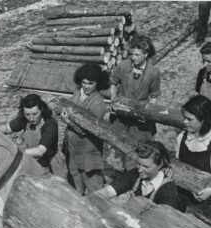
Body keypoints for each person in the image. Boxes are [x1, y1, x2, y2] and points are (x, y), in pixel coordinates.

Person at [110, 34, 161, 170]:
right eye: (132, 54)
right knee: (121, 144)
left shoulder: (153, 72)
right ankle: (124, 172)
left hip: (140, 116)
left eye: (137, 55)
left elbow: (154, 96)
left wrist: (148, 112)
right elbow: (113, 82)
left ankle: (135, 173)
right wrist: (112, 100)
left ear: (146, 54)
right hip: (122, 113)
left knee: (138, 146)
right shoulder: (124, 65)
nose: (133, 57)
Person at [61, 62, 110, 195]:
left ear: (98, 83)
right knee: (74, 188)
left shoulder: (98, 103)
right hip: (72, 148)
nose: (87, 86)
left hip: (89, 151)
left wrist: (68, 121)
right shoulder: (77, 92)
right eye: (84, 82)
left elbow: (87, 130)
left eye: (91, 83)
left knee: (95, 190)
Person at [96, 140, 183, 211]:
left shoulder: (168, 190)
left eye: (146, 166)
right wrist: (89, 201)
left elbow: (167, 221)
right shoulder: (136, 174)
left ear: (159, 165)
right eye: (138, 163)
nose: (140, 169)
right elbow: (108, 191)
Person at [0, 94, 58, 174]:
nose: (31, 118)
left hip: (48, 164)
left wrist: (14, 153)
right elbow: (7, 128)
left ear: (42, 110)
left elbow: (40, 151)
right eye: (27, 114)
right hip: (30, 160)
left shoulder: (50, 124)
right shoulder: (24, 119)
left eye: (34, 114)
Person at [176, 95, 211, 205]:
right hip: (183, 194)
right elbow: (178, 167)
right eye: (184, 118)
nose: (185, 122)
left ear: (203, 120)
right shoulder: (182, 137)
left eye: (190, 119)